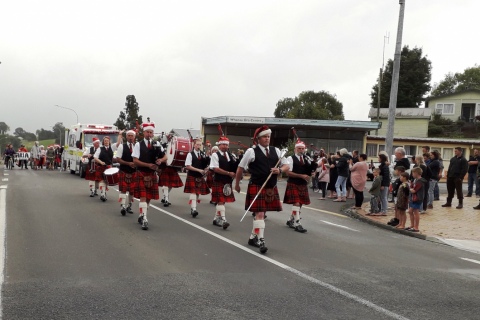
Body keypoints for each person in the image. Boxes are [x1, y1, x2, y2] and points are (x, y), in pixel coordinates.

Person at [234, 125, 289, 254]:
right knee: (260, 214)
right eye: (264, 136)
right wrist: (237, 184)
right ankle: (261, 240)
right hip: (257, 185)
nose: (267, 139)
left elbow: (287, 165)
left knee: (261, 214)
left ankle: (253, 237)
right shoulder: (251, 152)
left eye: (268, 136)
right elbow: (240, 168)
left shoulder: (276, 150)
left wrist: (279, 170)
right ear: (258, 138)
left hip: (271, 186)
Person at [132, 121, 167, 230]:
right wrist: (148, 165)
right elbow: (135, 160)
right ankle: (144, 218)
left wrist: (161, 160)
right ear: (144, 133)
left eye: (151, 132)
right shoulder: (138, 144)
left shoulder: (157, 144)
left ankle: (142, 215)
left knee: (148, 198)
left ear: (153, 133)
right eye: (147, 132)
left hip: (152, 174)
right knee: (143, 196)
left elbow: (166, 157)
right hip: (141, 172)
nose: (149, 134)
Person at [283, 139, 317, 233]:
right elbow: (288, 172)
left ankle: (290, 220)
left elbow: (311, 169)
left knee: (300, 203)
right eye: (299, 148)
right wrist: (301, 175)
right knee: (297, 202)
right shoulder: (290, 158)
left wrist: (313, 172)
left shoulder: (307, 158)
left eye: (302, 148)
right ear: (295, 149)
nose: (301, 150)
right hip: (293, 182)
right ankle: (297, 224)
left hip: (302, 183)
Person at [209, 136, 238, 230]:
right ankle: (224, 220)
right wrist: (228, 173)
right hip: (219, 180)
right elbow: (215, 168)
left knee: (223, 201)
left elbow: (234, 166)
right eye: (223, 144)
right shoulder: (215, 155)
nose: (225, 146)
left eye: (226, 145)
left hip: (227, 182)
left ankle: (216, 218)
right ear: (219, 145)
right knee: (221, 201)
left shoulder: (230, 155)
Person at [184, 139, 210, 217]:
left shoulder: (203, 154)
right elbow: (188, 166)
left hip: (200, 177)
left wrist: (206, 169)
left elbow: (207, 164)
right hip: (192, 175)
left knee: (197, 193)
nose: (198, 146)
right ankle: (194, 209)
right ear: (194, 145)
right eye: (197, 144)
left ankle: (193, 208)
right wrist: (198, 170)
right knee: (193, 192)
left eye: (200, 145)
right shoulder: (190, 154)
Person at [116, 130, 137, 215]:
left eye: (132, 136)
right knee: (123, 190)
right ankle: (122, 206)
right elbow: (118, 159)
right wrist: (128, 163)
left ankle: (129, 206)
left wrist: (136, 164)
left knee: (132, 191)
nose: (130, 137)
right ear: (126, 137)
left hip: (134, 171)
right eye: (129, 135)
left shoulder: (137, 146)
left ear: (134, 137)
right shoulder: (122, 146)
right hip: (124, 170)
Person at [407, 167, 426, 232]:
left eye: (413, 173)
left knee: (415, 211)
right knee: (410, 211)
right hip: (413, 197)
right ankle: (412, 225)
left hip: (418, 198)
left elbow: (414, 190)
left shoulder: (420, 181)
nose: (412, 174)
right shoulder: (415, 180)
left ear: (417, 173)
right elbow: (412, 187)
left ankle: (416, 227)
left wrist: (410, 189)